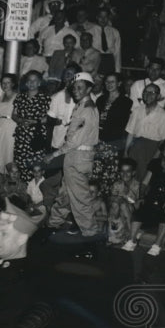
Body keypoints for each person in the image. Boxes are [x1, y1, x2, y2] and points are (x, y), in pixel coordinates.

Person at [44, 72, 101, 239]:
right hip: (74, 156)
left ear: (89, 89)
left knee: (80, 199)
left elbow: (74, 140)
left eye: (80, 88)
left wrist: (54, 154)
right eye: (74, 88)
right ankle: (53, 223)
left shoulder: (87, 110)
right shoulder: (81, 106)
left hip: (78, 156)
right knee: (65, 194)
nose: (76, 91)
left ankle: (90, 235)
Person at [124, 138, 165, 256]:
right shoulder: (155, 163)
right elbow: (145, 183)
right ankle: (131, 240)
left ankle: (157, 245)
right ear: (162, 150)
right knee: (140, 209)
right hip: (153, 196)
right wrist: (141, 197)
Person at [125, 83, 165, 180]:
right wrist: (126, 152)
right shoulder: (137, 111)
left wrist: (155, 157)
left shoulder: (163, 115)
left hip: (151, 150)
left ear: (158, 96)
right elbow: (130, 133)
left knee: (144, 177)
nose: (148, 94)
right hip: (135, 148)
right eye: (145, 92)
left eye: (152, 92)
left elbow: (164, 140)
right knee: (130, 176)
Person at [12, 70, 51, 182]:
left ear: (39, 83)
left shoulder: (46, 99)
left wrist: (35, 121)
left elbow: (50, 118)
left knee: (35, 165)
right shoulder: (20, 97)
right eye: (29, 80)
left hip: (36, 138)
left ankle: (35, 189)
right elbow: (14, 115)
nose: (31, 83)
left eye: (35, 80)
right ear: (26, 82)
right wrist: (20, 120)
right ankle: (22, 189)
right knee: (21, 163)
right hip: (22, 137)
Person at [107, 158, 141, 246]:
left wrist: (125, 197)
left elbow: (136, 203)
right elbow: (112, 198)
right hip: (117, 209)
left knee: (123, 205)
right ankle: (113, 235)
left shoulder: (137, 185)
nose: (125, 174)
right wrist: (118, 199)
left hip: (131, 209)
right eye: (122, 171)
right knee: (116, 204)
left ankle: (130, 233)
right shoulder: (117, 184)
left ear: (133, 172)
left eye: (128, 171)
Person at [0, 74, 18, 169]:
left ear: (13, 84)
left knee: (8, 151)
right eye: (3, 83)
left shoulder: (17, 96)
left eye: (8, 82)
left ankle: (8, 173)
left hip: (11, 126)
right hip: (0, 126)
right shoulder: (1, 96)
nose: (5, 85)